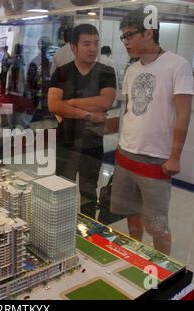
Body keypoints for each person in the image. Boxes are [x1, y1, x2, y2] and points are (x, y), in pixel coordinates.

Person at [110, 8, 193, 255]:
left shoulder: (178, 65)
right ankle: (135, 256)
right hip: (125, 154)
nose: (125, 42)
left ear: (148, 32)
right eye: (122, 37)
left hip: (155, 159)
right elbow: (129, 112)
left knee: (156, 223)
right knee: (130, 214)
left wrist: (175, 155)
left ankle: (162, 271)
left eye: (129, 35)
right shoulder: (132, 69)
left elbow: (184, 114)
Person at [48, 24, 117, 218]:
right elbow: (54, 105)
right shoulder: (61, 73)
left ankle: (87, 236)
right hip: (66, 140)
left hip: (92, 142)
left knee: (88, 190)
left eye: (95, 43)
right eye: (86, 43)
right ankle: (61, 228)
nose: (93, 49)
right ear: (73, 47)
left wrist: (70, 103)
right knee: (62, 187)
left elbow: (106, 101)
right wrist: (87, 114)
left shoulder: (105, 72)